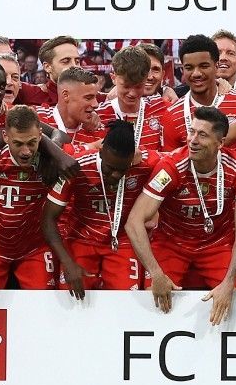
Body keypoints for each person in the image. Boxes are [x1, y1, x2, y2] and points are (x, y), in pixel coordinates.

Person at [127, 106, 236, 323]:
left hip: (217, 245)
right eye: (191, 131)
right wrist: (156, 273)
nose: (193, 140)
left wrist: (229, 281)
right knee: (155, 304)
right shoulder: (171, 166)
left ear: (221, 143)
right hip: (172, 244)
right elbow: (134, 222)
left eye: (202, 134)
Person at [42, 120, 166, 294]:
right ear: (101, 152)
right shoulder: (77, 166)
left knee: (127, 301)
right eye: (110, 168)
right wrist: (68, 263)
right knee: (72, 296)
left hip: (122, 241)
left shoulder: (146, 164)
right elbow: (48, 218)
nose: (115, 175)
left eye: (122, 169)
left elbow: (177, 159)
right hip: (81, 239)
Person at [0, 106, 67, 290]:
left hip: (34, 248)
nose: (26, 151)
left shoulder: (49, 163)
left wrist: (53, 154)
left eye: (32, 143)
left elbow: (89, 148)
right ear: (6, 137)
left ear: (41, 136)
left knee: (43, 303)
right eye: (18, 144)